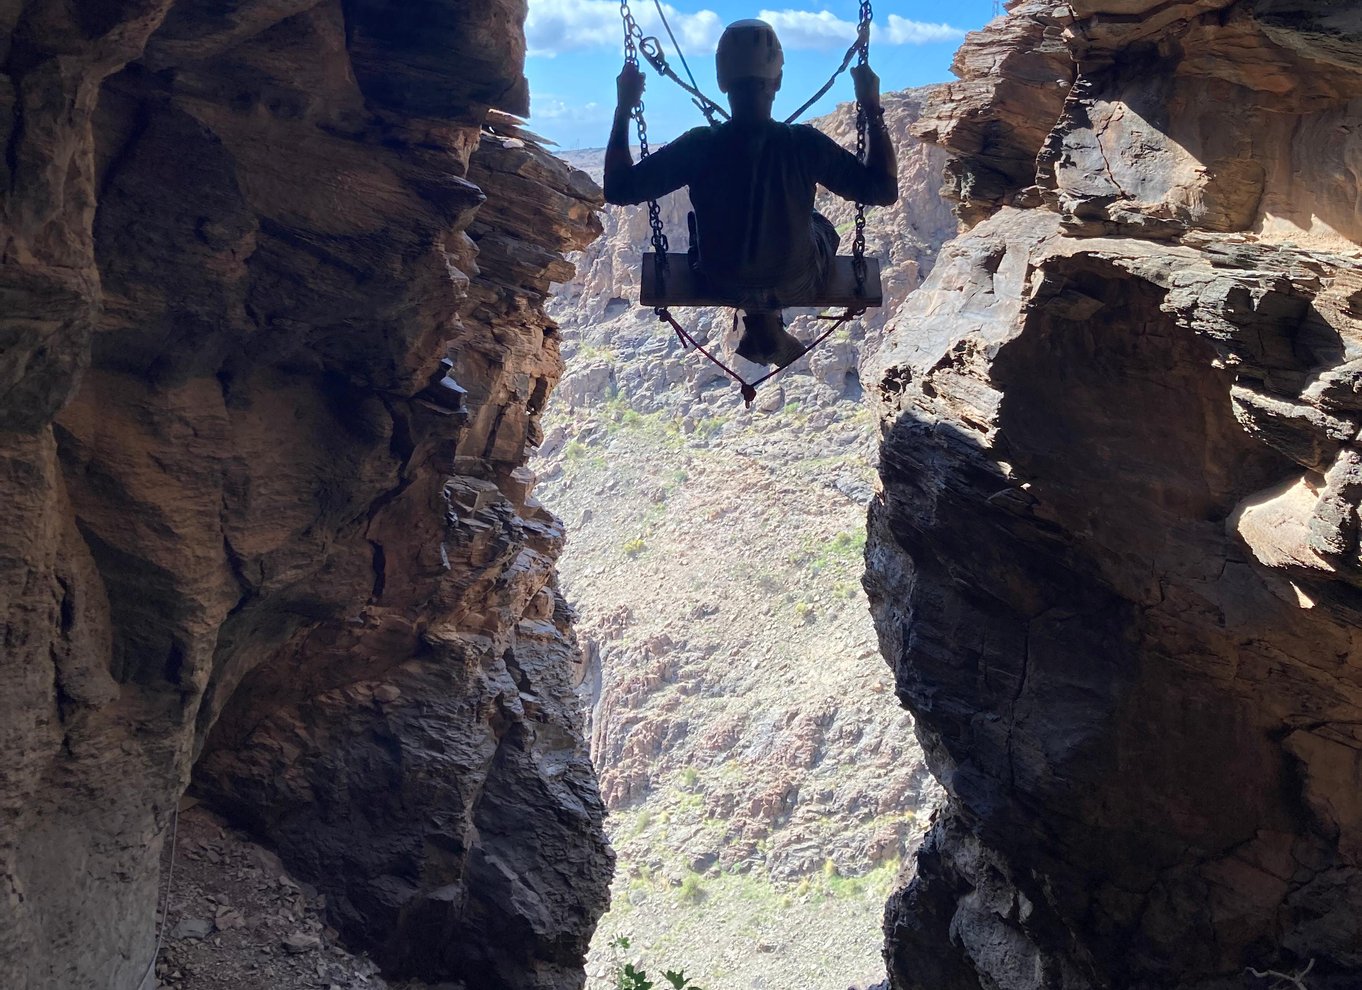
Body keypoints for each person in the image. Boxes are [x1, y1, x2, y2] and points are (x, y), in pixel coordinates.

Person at [603, 18, 899, 367]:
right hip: (797, 281)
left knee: (702, 226)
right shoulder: (803, 144)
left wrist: (624, 107)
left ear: (721, 82)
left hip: (720, 281)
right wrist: (871, 107)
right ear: (778, 81)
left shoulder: (700, 145)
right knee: (819, 223)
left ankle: (761, 319)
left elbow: (619, 188)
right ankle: (766, 320)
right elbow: (883, 189)